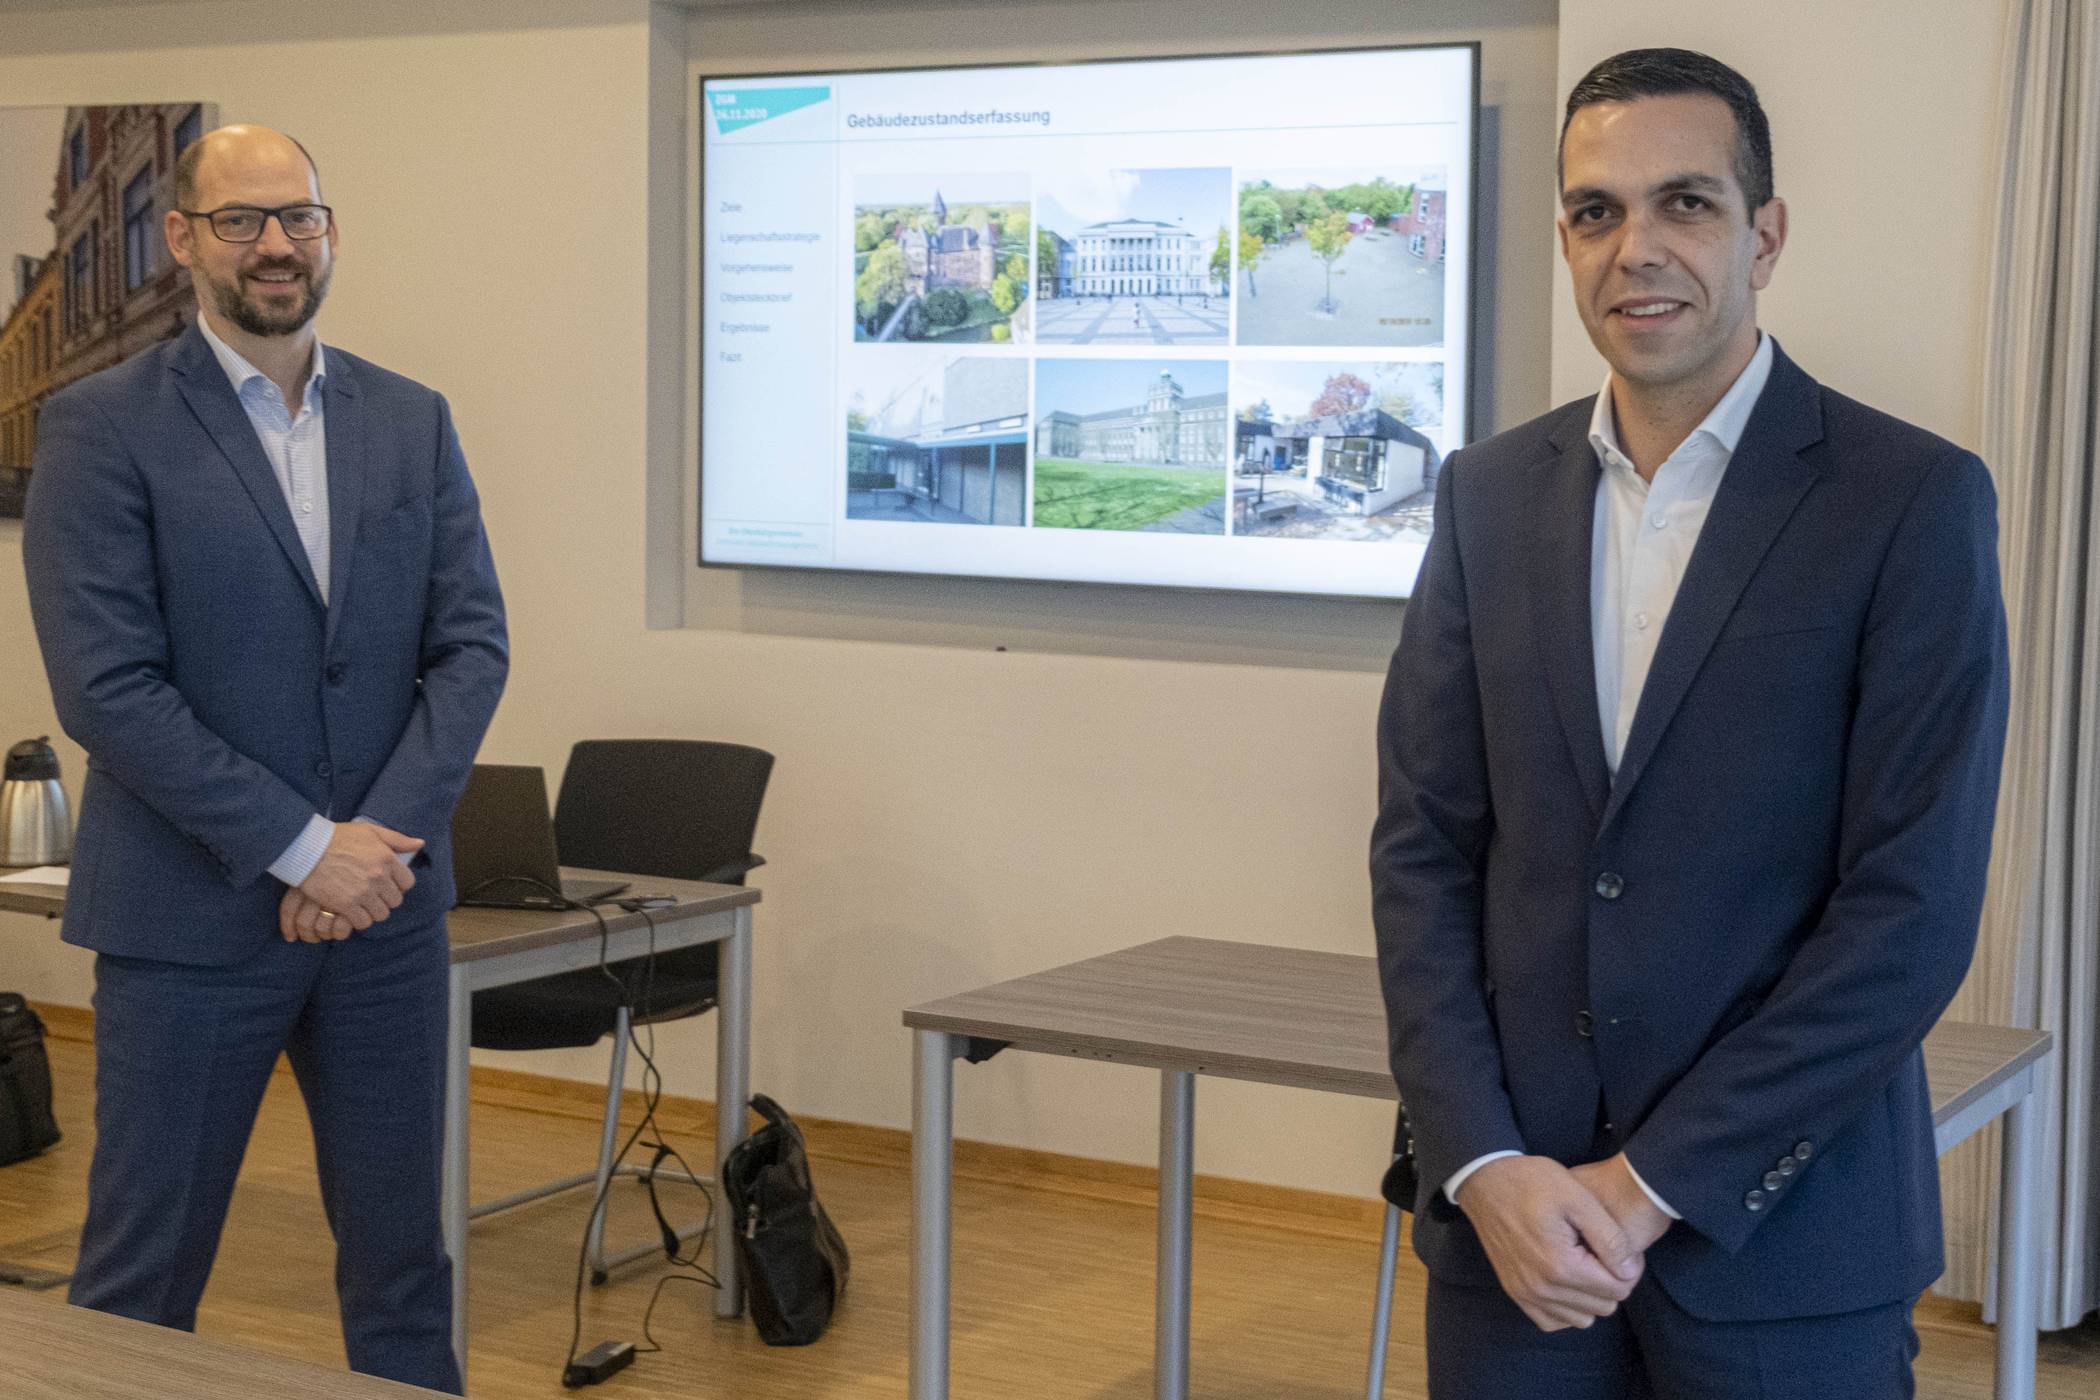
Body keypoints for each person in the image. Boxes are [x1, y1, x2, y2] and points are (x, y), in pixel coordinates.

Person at [1370, 49, 2007, 1399]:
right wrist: (1480, 1161)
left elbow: (1909, 912)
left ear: (1764, 236)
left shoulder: (1910, 501)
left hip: (1781, 1241)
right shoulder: (1486, 497)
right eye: (1596, 211)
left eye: (1686, 203)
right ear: (1565, 238)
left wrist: (1650, 1182)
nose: (1637, 248)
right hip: (1517, 1239)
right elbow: (1423, 852)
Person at [23, 125, 507, 1394]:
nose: (277, 244)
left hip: (383, 922)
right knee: (140, 1283)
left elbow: (471, 649)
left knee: (405, 1270)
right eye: (241, 220)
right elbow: (107, 687)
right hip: (187, 922)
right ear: (182, 239)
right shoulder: (100, 426)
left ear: (329, 232)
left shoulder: (410, 418)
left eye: (298, 216)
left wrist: (373, 851)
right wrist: (306, 849)